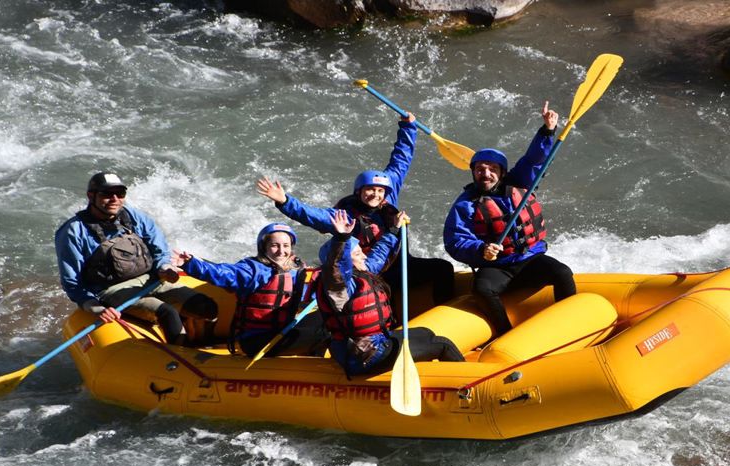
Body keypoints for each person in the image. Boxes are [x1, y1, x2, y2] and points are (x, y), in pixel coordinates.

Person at [256, 111, 455, 308]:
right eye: (370, 190)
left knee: (443, 268)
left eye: (379, 191)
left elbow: (400, 161)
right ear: (359, 191)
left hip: (400, 264)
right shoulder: (345, 215)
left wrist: (408, 128)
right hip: (368, 272)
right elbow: (311, 215)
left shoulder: (387, 198)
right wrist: (284, 201)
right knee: (384, 298)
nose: (375, 195)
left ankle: (446, 315)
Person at [443, 102, 576, 334]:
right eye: (480, 169)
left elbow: (534, 159)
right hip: (499, 266)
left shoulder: (521, 182)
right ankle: (504, 332)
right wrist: (480, 249)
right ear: (473, 172)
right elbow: (455, 240)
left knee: (562, 272)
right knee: (482, 289)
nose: (486, 173)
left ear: (502, 173)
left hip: (529, 258)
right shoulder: (466, 203)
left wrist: (547, 130)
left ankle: (571, 325)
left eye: (492, 169)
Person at [55, 172, 218, 345]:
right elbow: (71, 281)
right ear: (91, 196)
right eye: (107, 194)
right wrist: (93, 306)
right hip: (111, 290)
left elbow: (159, 248)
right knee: (167, 313)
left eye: (120, 194)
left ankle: (201, 348)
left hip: (152, 279)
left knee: (206, 306)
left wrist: (163, 267)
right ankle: (182, 351)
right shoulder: (73, 231)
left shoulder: (133, 216)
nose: (115, 199)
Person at [318, 209, 464, 377]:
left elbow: (378, 254)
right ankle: (468, 390)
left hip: (375, 342)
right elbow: (334, 267)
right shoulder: (339, 286)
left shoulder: (362, 272)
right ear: (345, 261)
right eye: (358, 254)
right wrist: (340, 238)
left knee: (426, 332)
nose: (364, 257)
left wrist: (394, 229)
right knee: (444, 345)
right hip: (363, 356)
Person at [171, 223, 329, 358]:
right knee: (325, 333)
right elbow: (222, 273)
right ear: (263, 248)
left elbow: (307, 297)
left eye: (286, 246)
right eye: (274, 245)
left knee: (330, 319)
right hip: (257, 341)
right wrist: (190, 264)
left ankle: (315, 359)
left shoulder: (294, 272)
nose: (281, 251)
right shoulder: (252, 270)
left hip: (281, 332)